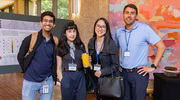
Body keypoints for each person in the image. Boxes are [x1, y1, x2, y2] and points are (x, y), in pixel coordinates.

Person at [115, 4, 166, 100]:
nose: (129, 15)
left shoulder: (145, 29)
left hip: (139, 74)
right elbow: (120, 47)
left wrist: (153, 66)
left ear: (136, 16)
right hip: (123, 74)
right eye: (127, 13)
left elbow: (161, 46)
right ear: (123, 15)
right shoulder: (119, 32)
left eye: (132, 13)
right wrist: (119, 63)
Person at [17, 11, 58, 100]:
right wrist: (26, 70)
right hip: (30, 81)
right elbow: (20, 56)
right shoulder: (31, 38)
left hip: (47, 81)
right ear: (41, 23)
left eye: (50, 21)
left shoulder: (55, 41)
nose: (48, 23)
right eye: (45, 20)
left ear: (53, 25)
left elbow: (55, 60)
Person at [88, 18, 119, 100]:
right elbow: (92, 61)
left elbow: (115, 65)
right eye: (98, 26)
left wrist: (102, 72)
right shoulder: (91, 42)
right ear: (95, 27)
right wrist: (89, 62)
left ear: (106, 29)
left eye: (103, 27)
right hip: (97, 80)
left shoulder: (111, 44)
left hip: (109, 81)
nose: (100, 29)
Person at [56, 22, 86, 100]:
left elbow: (86, 64)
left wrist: (88, 61)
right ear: (65, 33)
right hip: (67, 76)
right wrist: (62, 81)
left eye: (74, 31)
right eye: (69, 31)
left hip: (80, 77)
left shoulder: (81, 46)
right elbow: (58, 68)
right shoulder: (61, 47)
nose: (72, 34)